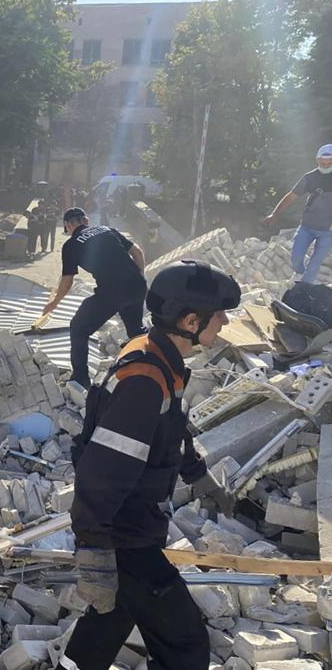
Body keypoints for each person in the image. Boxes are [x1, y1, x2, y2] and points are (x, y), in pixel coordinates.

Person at [57, 261, 241, 670]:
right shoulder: (144, 379)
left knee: (111, 618)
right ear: (190, 320)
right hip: (126, 536)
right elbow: (101, 474)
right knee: (185, 644)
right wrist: (94, 554)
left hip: (129, 524)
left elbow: (170, 428)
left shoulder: (158, 356)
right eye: (219, 314)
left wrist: (199, 477)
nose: (226, 322)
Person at [42, 208, 147, 389]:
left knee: (78, 328)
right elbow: (137, 251)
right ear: (86, 220)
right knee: (136, 330)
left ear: (67, 225)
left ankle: (80, 379)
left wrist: (54, 302)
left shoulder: (71, 245)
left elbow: (67, 281)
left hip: (112, 292)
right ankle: (149, 369)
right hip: (136, 286)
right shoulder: (108, 229)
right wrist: (139, 277)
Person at [264, 143, 332, 284]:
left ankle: (303, 289)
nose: (325, 167)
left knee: (314, 266)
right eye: (322, 163)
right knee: (296, 258)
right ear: (317, 160)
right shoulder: (310, 178)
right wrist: (274, 214)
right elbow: (290, 197)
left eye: (329, 164)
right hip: (307, 227)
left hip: (328, 231)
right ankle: (300, 272)